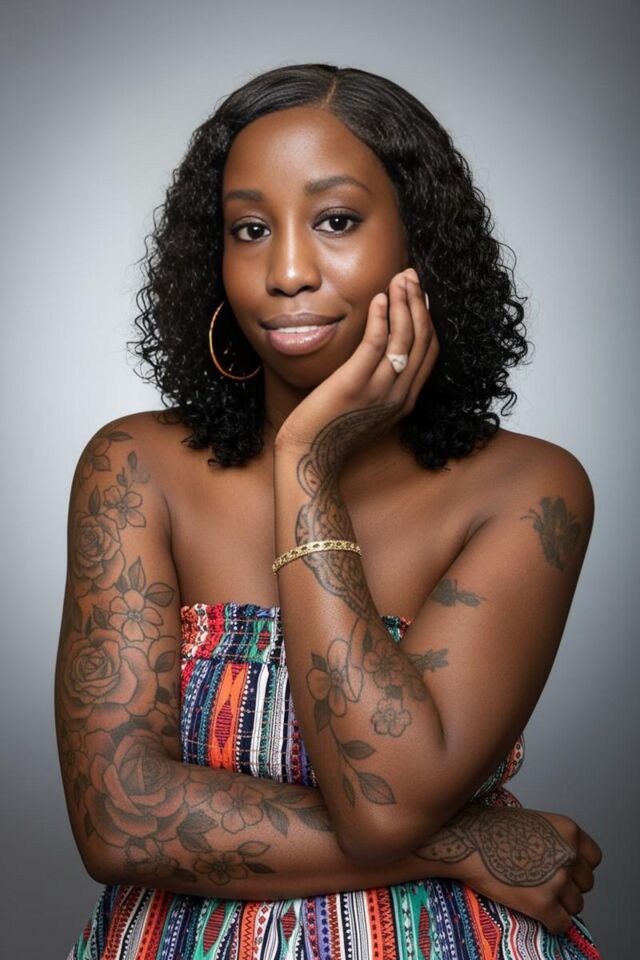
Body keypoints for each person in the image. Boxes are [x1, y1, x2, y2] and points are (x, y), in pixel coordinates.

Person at [56, 62, 603, 959]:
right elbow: (118, 823)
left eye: (337, 221)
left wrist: (306, 464)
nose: (287, 271)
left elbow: (388, 800)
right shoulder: (134, 468)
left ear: (419, 242)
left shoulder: (529, 490)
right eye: (250, 229)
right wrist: (465, 843)